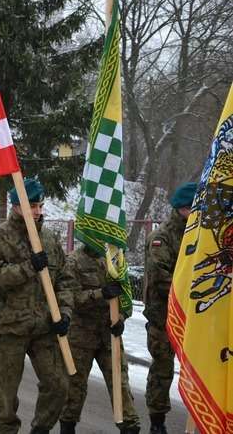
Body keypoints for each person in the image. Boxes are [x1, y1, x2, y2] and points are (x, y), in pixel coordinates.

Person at [0, 178, 75, 434]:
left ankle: (40, 429)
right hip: (10, 326)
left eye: (40, 205)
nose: (38, 211)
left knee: (58, 385)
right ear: (16, 206)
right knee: (7, 392)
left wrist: (65, 313)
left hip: (44, 327)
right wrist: (28, 267)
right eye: (32, 206)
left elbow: (65, 280)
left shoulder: (49, 239)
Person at [58, 245, 140, 434]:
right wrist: (100, 294)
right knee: (74, 388)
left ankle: (130, 426)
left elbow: (125, 296)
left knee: (120, 385)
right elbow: (71, 297)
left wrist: (121, 318)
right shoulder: (73, 261)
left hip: (109, 336)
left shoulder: (115, 259)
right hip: (81, 337)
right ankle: (67, 426)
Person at [144, 182, 196, 434]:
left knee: (198, 371)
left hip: (194, 317)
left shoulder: (199, 235)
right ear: (182, 209)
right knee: (162, 369)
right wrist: (191, 293)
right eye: (194, 208)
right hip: (164, 316)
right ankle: (157, 421)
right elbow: (159, 276)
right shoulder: (162, 238)